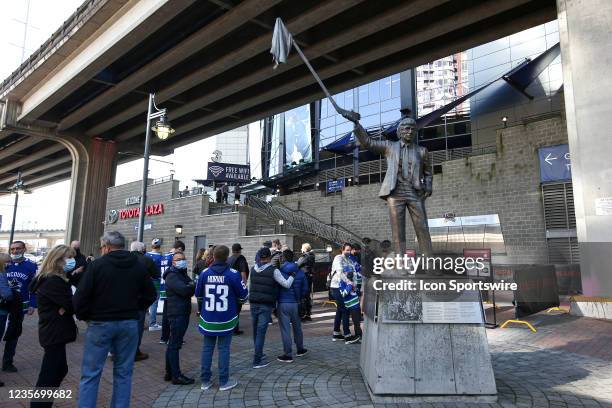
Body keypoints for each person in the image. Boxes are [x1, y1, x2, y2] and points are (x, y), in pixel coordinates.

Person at [73, 231, 156, 408]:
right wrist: (136, 308)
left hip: (100, 323)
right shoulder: (138, 266)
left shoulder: (97, 266)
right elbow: (151, 294)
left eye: (102, 247)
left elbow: (81, 296)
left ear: (107, 247)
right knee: (124, 373)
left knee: (91, 374)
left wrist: (85, 316)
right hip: (128, 323)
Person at [29, 245, 78, 408]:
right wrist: (67, 306)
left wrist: (66, 307)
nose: (72, 261)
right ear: (57, 260)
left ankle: (43, 404)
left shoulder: (58, 278)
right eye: (68, 257)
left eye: (73, 257)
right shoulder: (52, 281)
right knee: (50, 373)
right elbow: (71, 305)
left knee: (59, 369)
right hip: (53, 331)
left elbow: (68, 306)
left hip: (55, 330)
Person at [196, 245, 248, 391]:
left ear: (213, 256)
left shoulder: (205, 273)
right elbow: (243, 296)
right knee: (224, 349)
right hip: (226, 318)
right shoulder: (233, 274)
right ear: (227, 257)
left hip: (208, 319)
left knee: (207, 349)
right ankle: (224, 381)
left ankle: (205, 381)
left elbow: (198, 295)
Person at [248, 247, 295, 369]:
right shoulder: (274, 270)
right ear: (269, 257)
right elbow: (286, 284)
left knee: (255, 331)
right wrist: (292, 276)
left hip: (253, 303)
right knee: (261, 333)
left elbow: (250, 287)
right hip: (266, 304)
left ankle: (258, 353)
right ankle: (257, 359)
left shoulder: (253, 269)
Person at [3, 240, 37, 372]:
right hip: (3, 305)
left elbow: (34, 288)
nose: (15, 251)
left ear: (24, 249)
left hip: (20, 306)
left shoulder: (31, 266)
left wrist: (32, 304)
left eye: (18, 249)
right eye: (12, 249)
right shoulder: (4, 264)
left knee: (13, 334)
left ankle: (7, 362)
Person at [163, 252, 195, 385]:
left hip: (182, 311)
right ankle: (176, 375)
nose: (182, 261)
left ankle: (170, 372)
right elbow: (185, 290)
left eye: (183, 259)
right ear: (173, 262)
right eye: (178, 259)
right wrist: (191, 286)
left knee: (173, 343)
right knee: (175, 344)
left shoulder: (181, 273)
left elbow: (190, 286)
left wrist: (191, 285)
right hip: (177, 313)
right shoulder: (172, 276)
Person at [131, 241, 161, 361]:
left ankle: (116, 350)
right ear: (142, 250)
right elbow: (156, 274)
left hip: (123, 298)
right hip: (139, 298)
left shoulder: (124, 259)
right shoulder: (147, 260)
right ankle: (135, 351)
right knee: (138, 325)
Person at [277, 249, 309, 363]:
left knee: (285, 329)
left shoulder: (280, 271)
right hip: (296, 303)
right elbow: (305, 289)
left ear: (284, 258)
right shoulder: (300, 272)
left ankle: (288, 354)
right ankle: (300, 349)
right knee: (297, 327)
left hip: (283, 302)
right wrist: (299, 297)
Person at [329, 243, 360, 344]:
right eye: (346, 250)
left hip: (345, 287)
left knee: (340, 310)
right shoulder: (338, 258)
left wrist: (354, 284)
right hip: (337, 287)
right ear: (342, 250)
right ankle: (347, 335)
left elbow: (354, 272)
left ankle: (336, 333)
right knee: (345, 309)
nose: (348, 252)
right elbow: (339, 272)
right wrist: (349, 282)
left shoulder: (349, 260)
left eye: (349, 250)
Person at [159, 240, 184, 344]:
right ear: (179, 248)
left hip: (163, 287)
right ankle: (172, 338)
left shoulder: (164, 256)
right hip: (171, 288)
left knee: (166, 314)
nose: (181, 255)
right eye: (181, 251)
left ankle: (164, 337)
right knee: (173, 315)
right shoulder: (173, 257)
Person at [145, 238, 167, 332]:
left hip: (145, 281)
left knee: (144, 301)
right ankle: (152, 323)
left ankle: (143, 321)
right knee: (154, 303)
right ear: (159, 246)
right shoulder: (161, 258)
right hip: (156, 281)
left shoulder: (146, 255)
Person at [227, 243, 249, 335]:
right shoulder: (240, 259)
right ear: (239, 250)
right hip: (237, 287)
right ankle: (235, 329)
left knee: (231, 308)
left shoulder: (229, 259)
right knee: (237, 309)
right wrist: (244, 286)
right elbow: (243, 273)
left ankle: (229, 327)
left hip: (229, 287)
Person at [0, 253, 14, 387]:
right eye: (8, 262)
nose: (10, 264)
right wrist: (12, 291)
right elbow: (7, 294)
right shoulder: (1, 275)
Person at [338, 278, 362, 344]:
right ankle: (358, 336)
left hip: (355, 304)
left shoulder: (351, 280)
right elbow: (343, 294)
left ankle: (359, 336)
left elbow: (358, 293)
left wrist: (355, 288)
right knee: (355, 322)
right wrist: (350, 285)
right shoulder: (341, 282)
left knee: (357, 322)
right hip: (351, 305)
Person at [296, 243, 315, 321]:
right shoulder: (312, 256)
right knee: (307, 295)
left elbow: (298, 265)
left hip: (304, 277)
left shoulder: (304, 257)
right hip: (309, 276)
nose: (301, 249)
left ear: (305, 249)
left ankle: (302, 314)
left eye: (302, 248)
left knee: (303, 295)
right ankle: (308, 313)